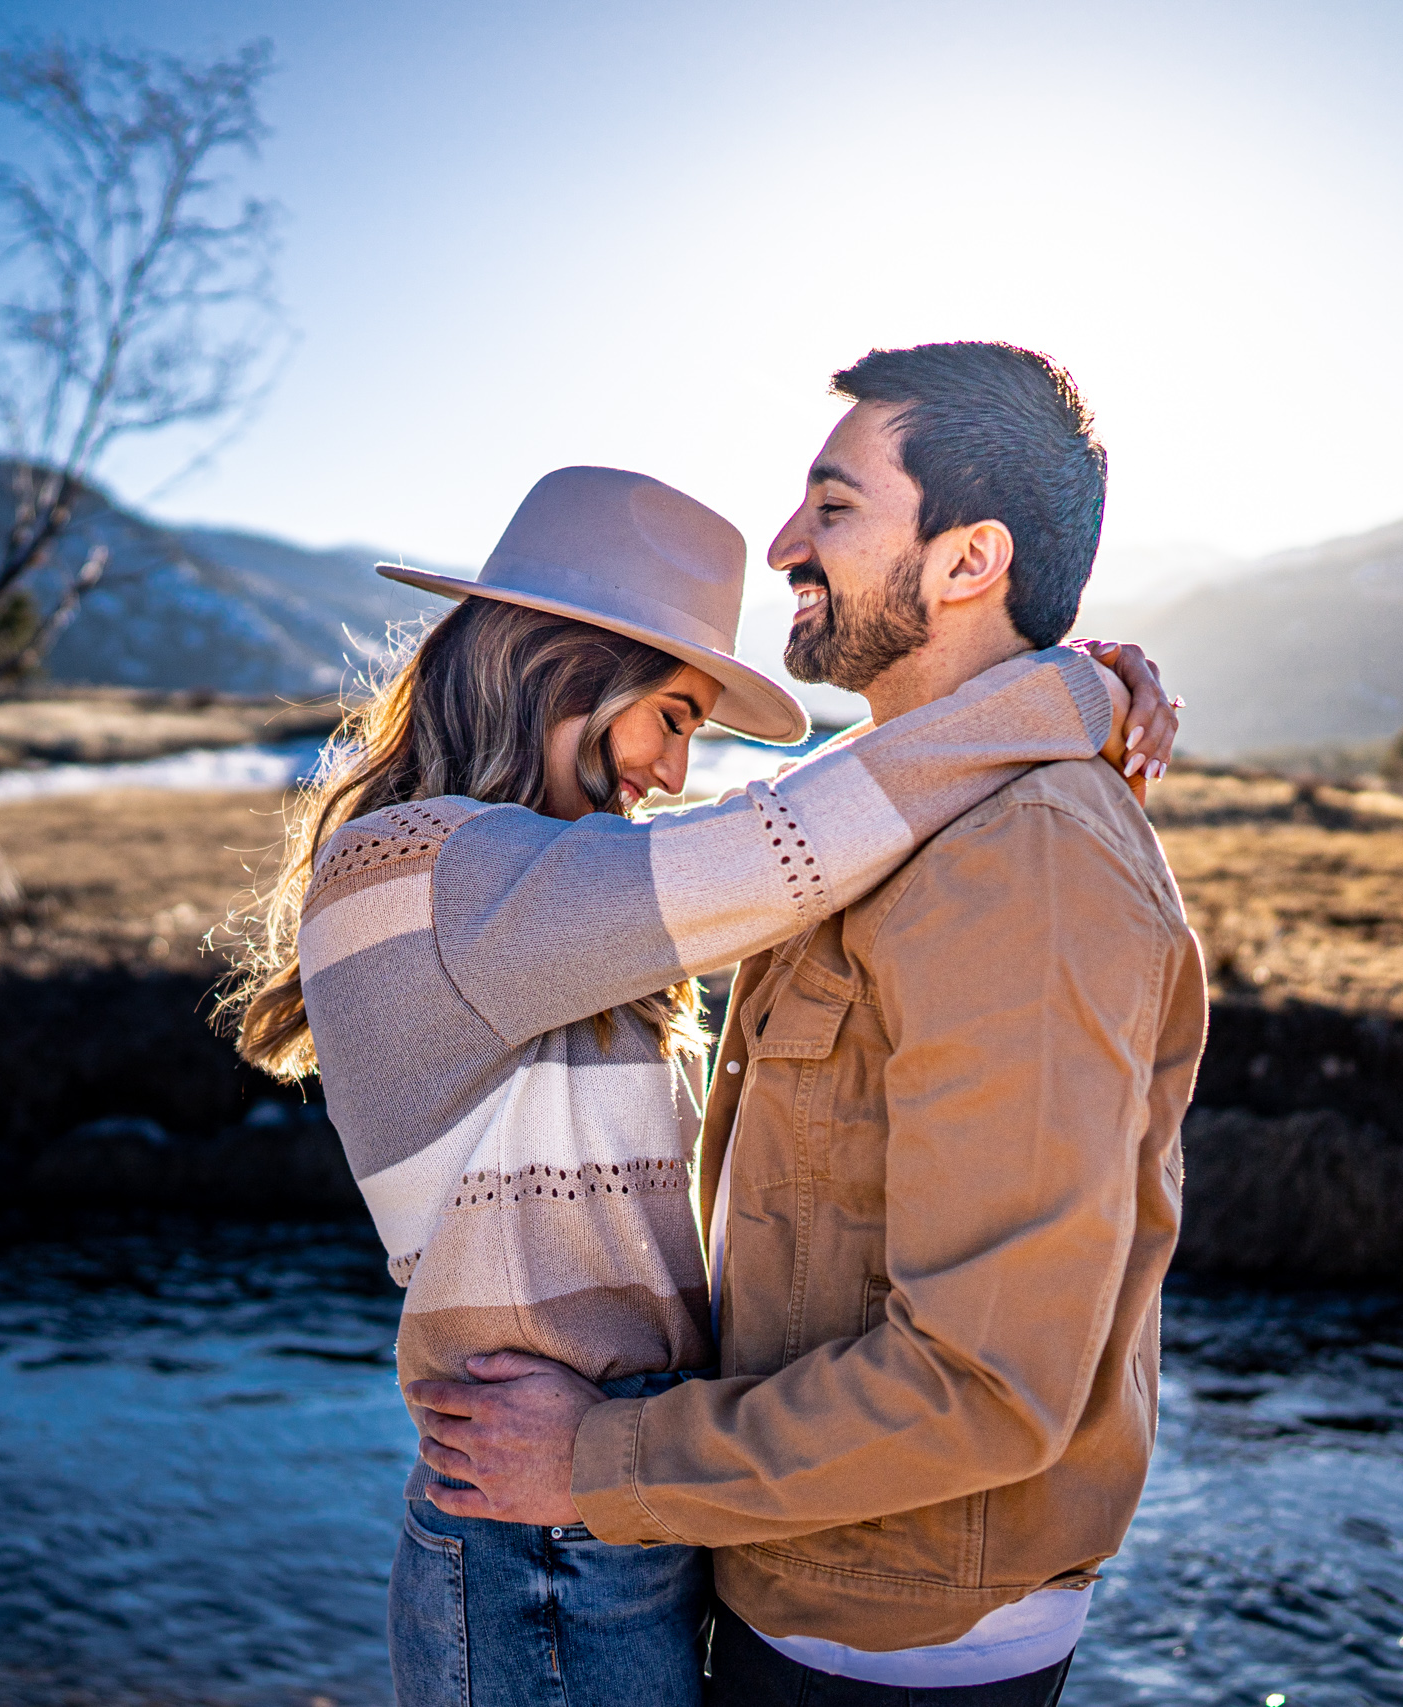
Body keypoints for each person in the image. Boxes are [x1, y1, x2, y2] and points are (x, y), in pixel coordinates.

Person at [224, 460, 1177, 1707]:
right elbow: (787, 846)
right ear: (564, 667)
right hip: (541, 1536)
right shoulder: (418, 870)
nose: (674, 769)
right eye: (671, 716)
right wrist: (1057, 689)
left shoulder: (546, 884)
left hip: (617, 1494)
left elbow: (796, 825)